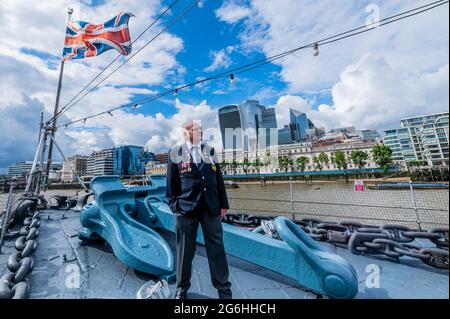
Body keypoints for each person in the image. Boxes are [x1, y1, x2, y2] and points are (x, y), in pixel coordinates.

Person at [166, 120, 232, 299]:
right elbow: (171, 185)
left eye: (201, 129)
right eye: (197, 129)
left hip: (210, 208)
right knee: (185, 251)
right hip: (186, 210)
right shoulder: (175, 153)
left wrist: (223, 204)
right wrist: (176, 207)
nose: (201, 132)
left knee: (216, 249)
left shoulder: (209, 151)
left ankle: (224, 289)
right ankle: (182, 288)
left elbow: (218, 178)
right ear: (187, 132)